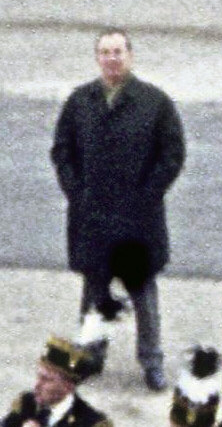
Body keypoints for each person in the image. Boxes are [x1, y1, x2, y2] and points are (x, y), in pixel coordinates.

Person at [49, 29, 183, 389]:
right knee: (94, 290)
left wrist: (148, 195)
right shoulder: (80, 102)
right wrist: (77, 193)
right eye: (106, 53)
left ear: (130, 56)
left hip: (138, 220)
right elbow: (62, 151)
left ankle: (152, 361)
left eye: (118, 52)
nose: (112, 59)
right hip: (93, 216)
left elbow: (172, 155)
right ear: (98, 58)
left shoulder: (154, 102)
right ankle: (90, 355)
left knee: (143, 295)